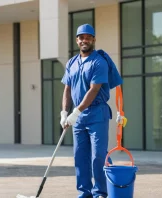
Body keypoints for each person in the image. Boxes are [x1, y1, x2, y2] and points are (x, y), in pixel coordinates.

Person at [60, 24, 122, 198]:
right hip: (78, 118)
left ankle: (100, 192)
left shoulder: (99, 62)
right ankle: (84, 192)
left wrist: (76, 111)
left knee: (98, 156)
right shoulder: (71, 63)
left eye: (88, 37)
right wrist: (64, 112)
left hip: (97, 114)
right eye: (81, 37)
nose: (84, 40)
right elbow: (67, 89)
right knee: (80, 156)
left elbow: (94, 90)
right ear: (77, 40)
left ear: (93, 39)